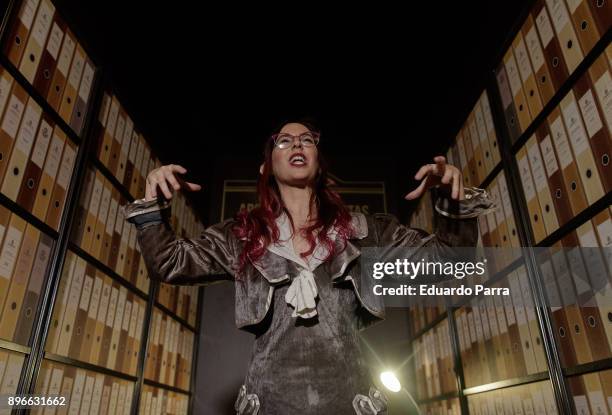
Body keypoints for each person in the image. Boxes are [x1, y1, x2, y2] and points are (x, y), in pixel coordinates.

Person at [120, 120, 494, 415]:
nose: (297, 144)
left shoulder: (365, 231)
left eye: (307, 140)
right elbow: (168, 263)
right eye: (284, 140)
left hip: (350, 404)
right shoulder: (242, 235)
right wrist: (152, 207)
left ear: (319, 161)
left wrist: (451, 201)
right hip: (268, 406)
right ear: (267, 166)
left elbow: (451, 260)